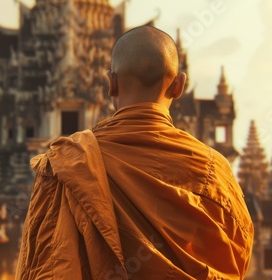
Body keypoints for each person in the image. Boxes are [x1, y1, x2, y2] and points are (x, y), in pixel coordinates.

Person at [16, 26, 253, 279]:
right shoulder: (214, 170)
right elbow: (236, 259)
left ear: (111, 84)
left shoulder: (65, 163)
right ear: (179, 86)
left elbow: (41, 266)